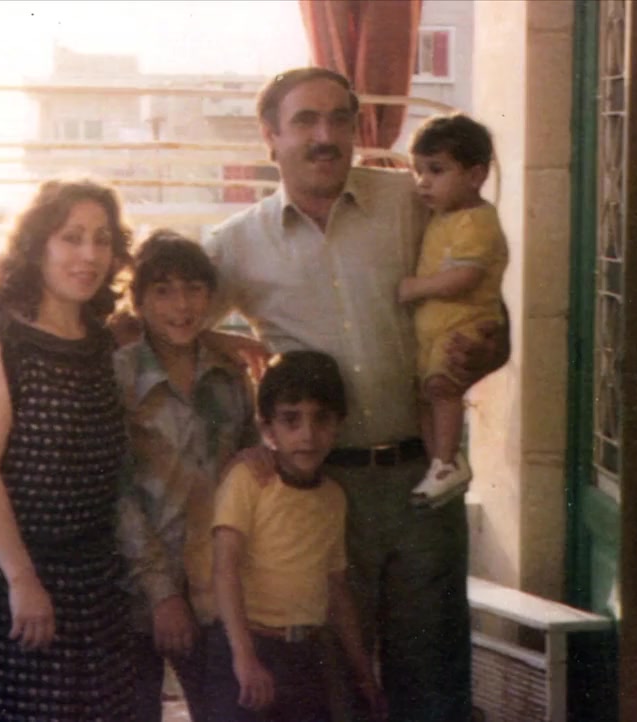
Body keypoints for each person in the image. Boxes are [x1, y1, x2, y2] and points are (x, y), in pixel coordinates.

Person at [203, 67, 510, 722]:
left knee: (433, 684)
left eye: (339, 119)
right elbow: (166, 325)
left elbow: (485, 304)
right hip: (318, 496)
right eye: (305, 121)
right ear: (270, 137)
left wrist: (489, 347)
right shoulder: (236, 244)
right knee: (340, 687)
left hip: (421, 479)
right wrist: (223, 347)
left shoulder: (411, 201)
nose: (326, 135)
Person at [0, 179, 136, 721]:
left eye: (102, 239)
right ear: (37, 246)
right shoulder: (0, 346)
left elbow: (173, 331)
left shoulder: (103, 340)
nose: (89, 255)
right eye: (71, 237)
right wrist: (22, 580)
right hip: (3, 586)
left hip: (90, 585)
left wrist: (222, 340)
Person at [114, 230, 256, 722]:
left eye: (193, 288)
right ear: (139, 302)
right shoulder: (119, 375)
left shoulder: (230, 374)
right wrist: (162, 593)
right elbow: (116, 494)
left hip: (215, 589)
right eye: (163, 290)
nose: (181, 305)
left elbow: (245, 474)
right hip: (132, 593)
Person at [207, 351, 386, 722]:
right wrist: (244, 657)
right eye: (291, 420)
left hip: (308, 655)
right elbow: (225, 569)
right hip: (250, 647)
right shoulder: (249, 481)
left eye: (321, 419)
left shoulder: (332, 497)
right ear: (268, 428)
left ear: (339, 424)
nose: (308, 435)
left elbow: (336, 588)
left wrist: (363, 670)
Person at [397, 114, 509, 508]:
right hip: (436, 328)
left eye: (436, 170)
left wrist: (414, 288)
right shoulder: (443, 216)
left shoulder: (477, 221)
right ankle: (441, 464)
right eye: (418, 171)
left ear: (476, 175)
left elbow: (466, 277)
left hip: (463, 325)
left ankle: (445, 462)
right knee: (425, 395)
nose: (423, 182)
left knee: (442, 388)